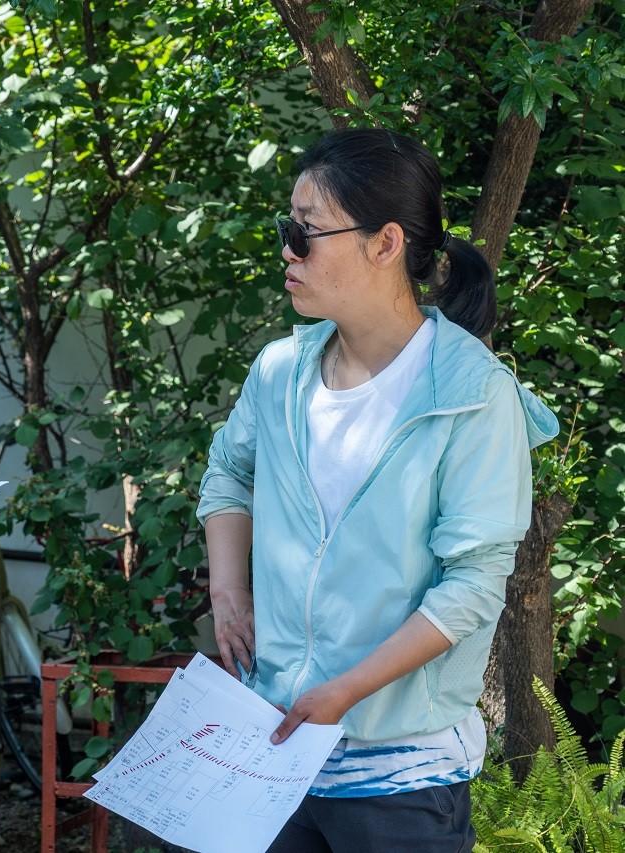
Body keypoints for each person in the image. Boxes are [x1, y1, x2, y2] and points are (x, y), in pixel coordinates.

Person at [196, 128, 559, 852]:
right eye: (285, 230)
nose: (286, 252)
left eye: (306, 234)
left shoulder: (471, 393)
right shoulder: (279, 371)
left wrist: (347, 690)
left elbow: (472, 584)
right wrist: (229, 591)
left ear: (385, 242)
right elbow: (228, 473)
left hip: (402, 782)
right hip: (275, 754)